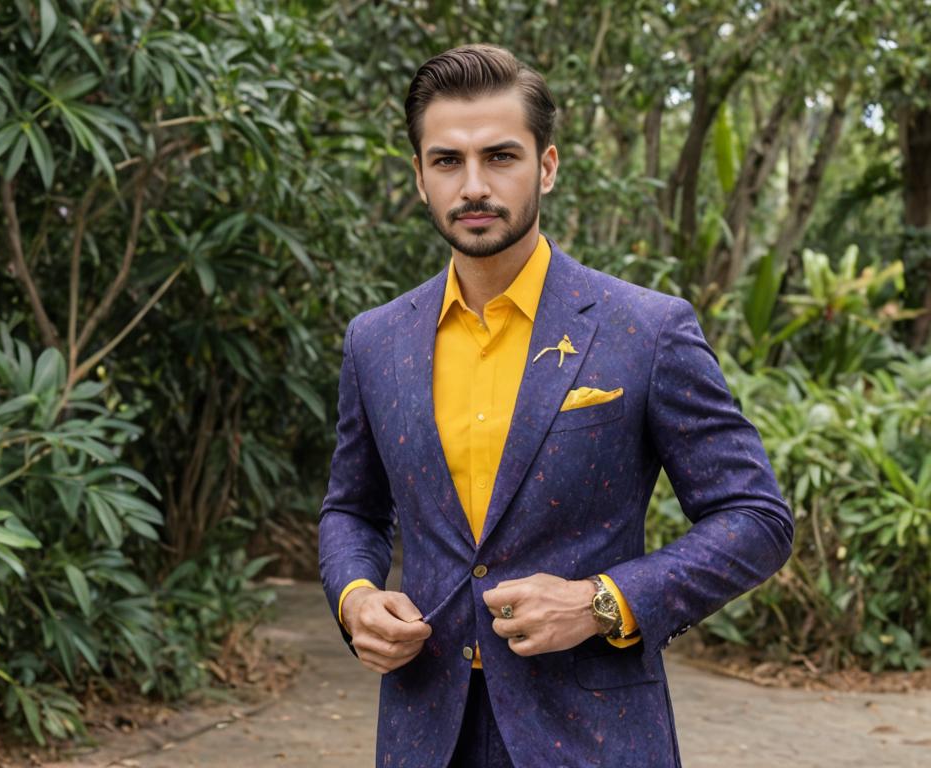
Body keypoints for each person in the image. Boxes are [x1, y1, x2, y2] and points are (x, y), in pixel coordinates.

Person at [317, 43, 793, 768]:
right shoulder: (375, 341)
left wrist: (602, 602)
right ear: (419, 177)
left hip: (595, 736)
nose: (473, 185)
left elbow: (756, 518)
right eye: (447, 161)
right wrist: (355, 597)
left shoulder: (646, 329)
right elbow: (353, 508)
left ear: (546, 167)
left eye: (500, 157)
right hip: (424, 731)